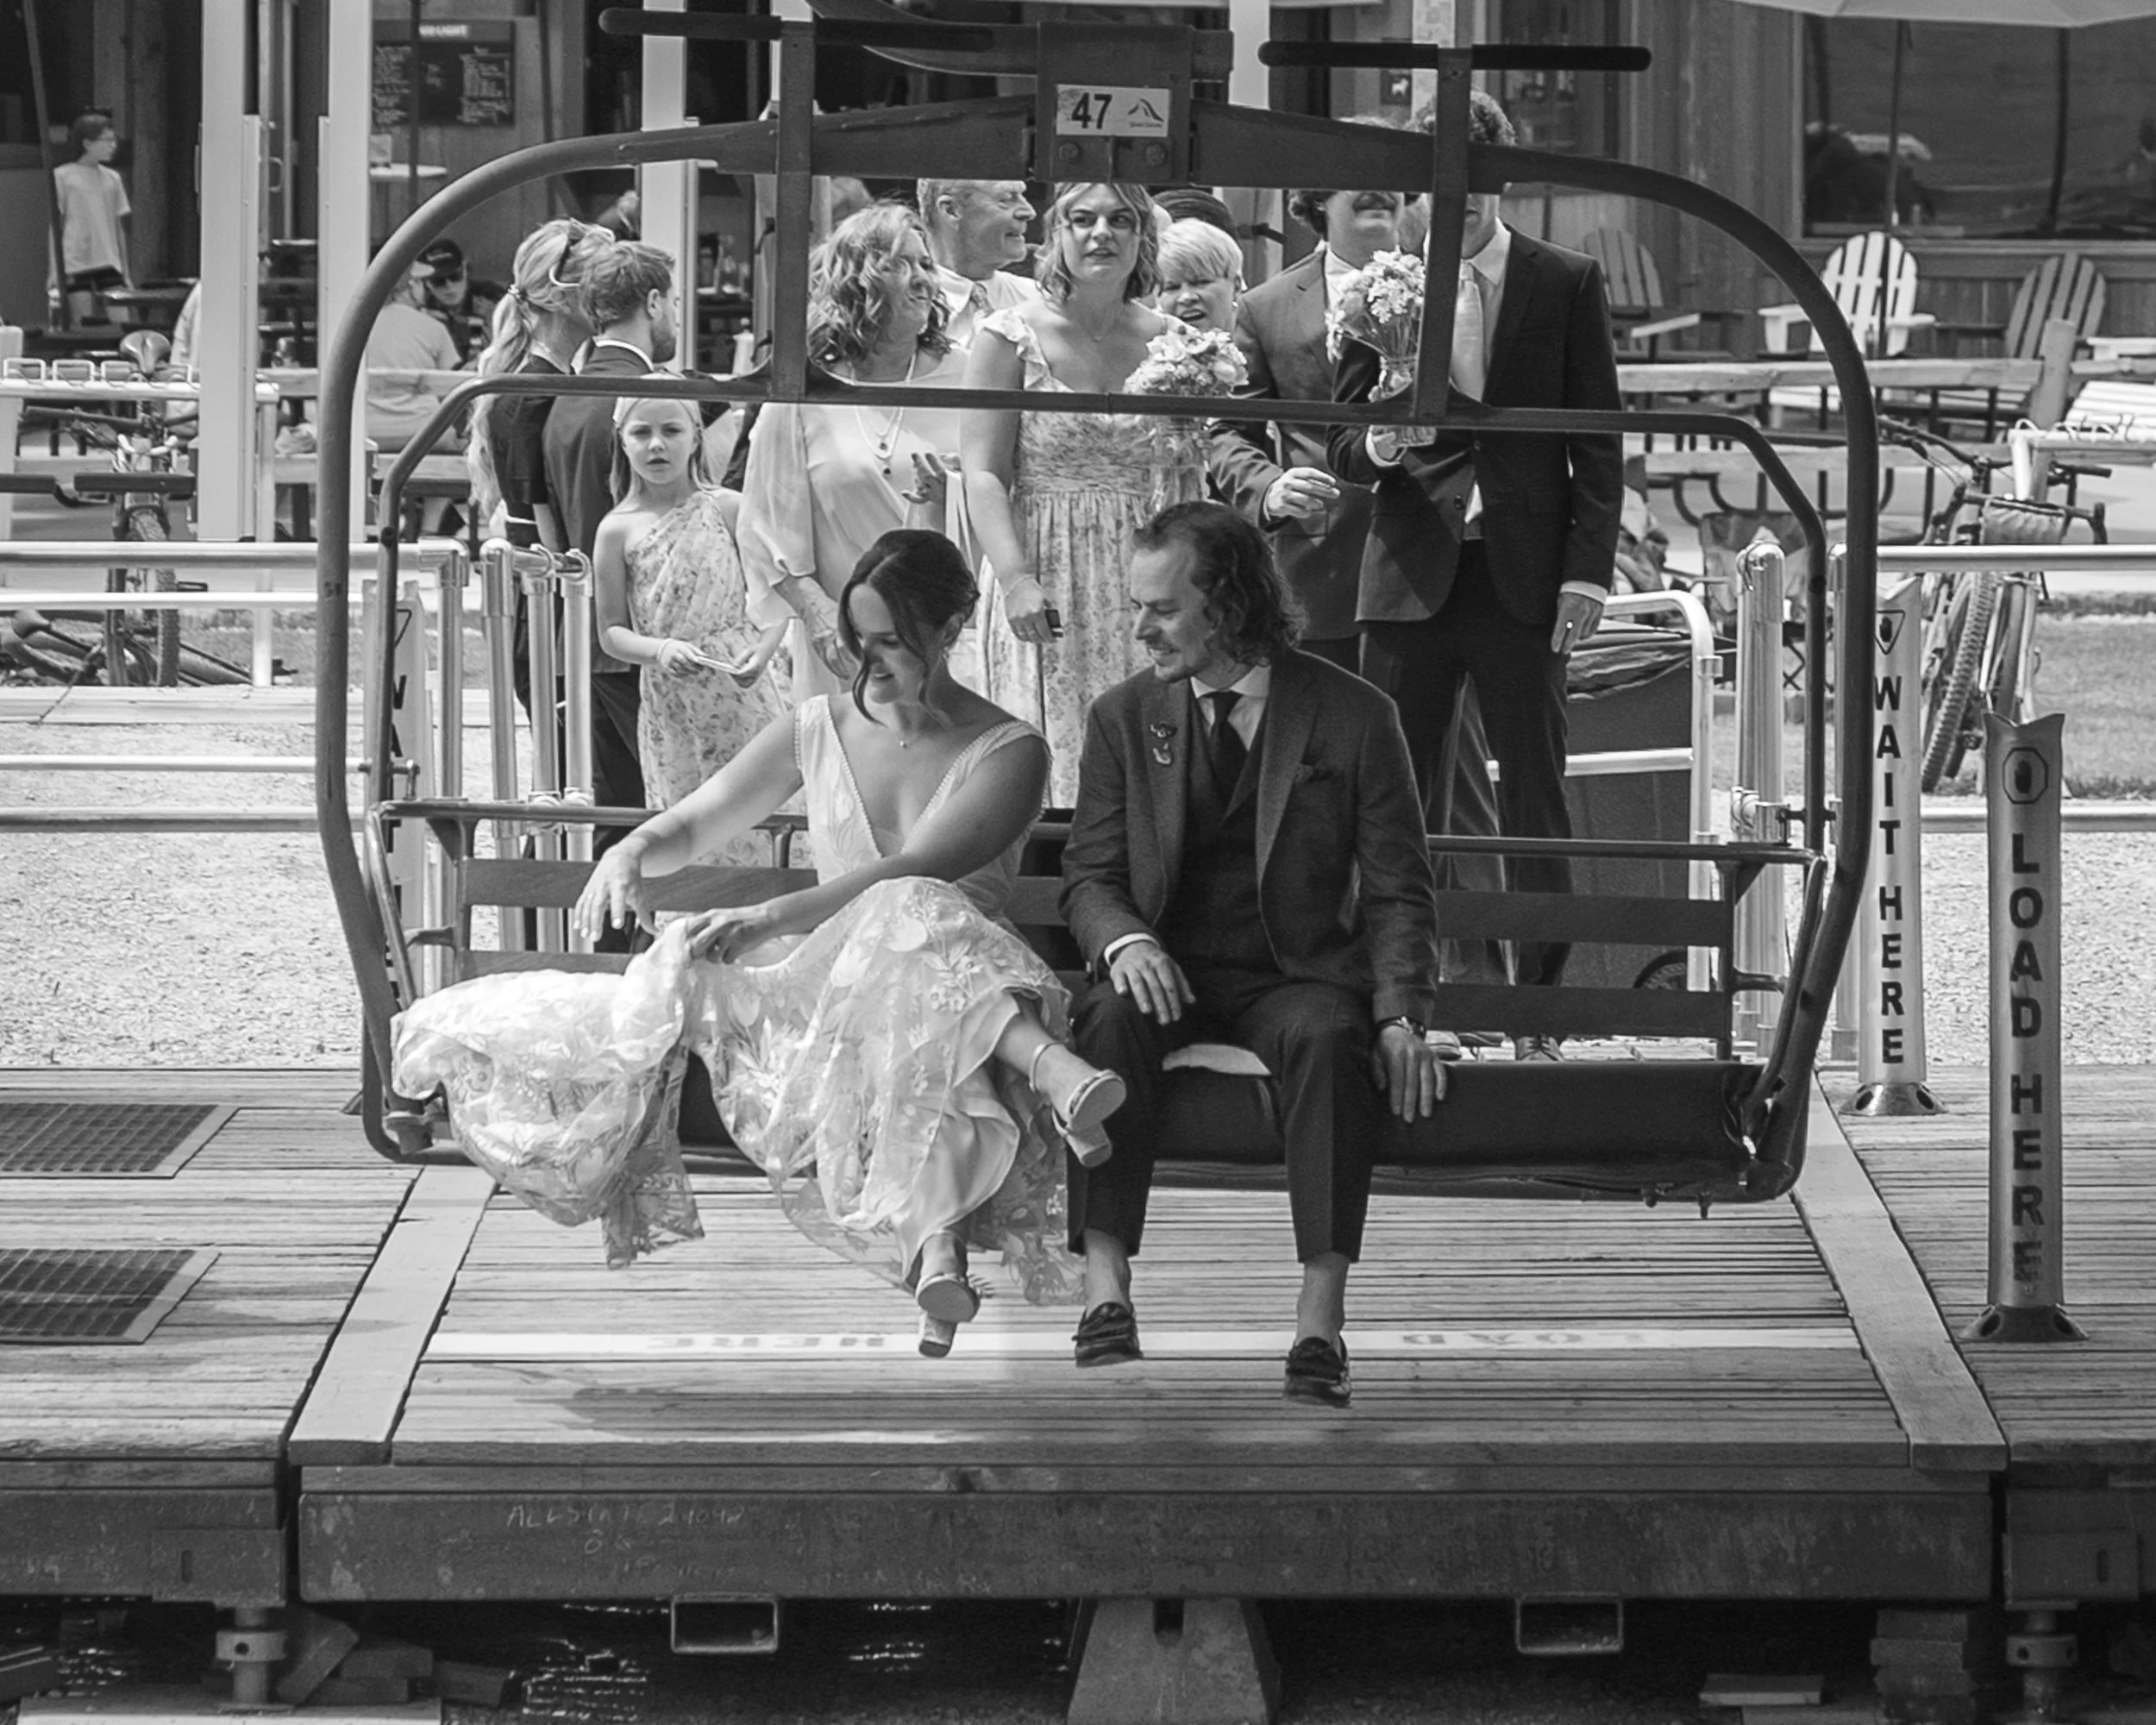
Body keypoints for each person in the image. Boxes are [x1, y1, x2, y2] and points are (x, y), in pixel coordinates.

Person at [573, 530, 1126, 1356]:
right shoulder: (816, 726)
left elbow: (919, 868)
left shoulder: (1012, 750)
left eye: (890, 641)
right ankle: (1046, 1067)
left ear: (951, 628)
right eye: (855, 637)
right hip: (841, 989)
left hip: (950, 977)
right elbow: (697, 819)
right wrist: (628, 852)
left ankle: (937, 1248)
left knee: (912, 912)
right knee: (910, 955)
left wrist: (768, 918)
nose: (865, 660)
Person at [1059, 500, 1442, 1407]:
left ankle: (1320, 1320)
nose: (1140, 627)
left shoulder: (1353, 714)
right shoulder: (1122, 716)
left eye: (1161, 606)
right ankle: (1105, 1293)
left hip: (1293, 976)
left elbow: (1397, 886)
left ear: (1227, 604)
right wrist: (1125, 938)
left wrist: (1401, 1016)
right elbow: (1089, 876)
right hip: (1167, 973)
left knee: (1329, 1039)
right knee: (1105, 1017)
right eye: (1137, 606)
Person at [1328, 91, 1625, 1053]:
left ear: (1500, 177)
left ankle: (1536, 1011)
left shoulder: (1565, 279)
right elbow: (1343, 447)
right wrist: (1377, 437)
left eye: (1468, 178)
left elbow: (1600, 440)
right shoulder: (1375, 287)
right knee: (1392, 793)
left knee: (1534, 791)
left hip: (1524, 573)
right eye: (1427, 183)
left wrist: (1586, 574)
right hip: (1409, 569)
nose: (1446, 201)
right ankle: (1402, 1003)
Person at [1210, 154, 1512, 1026]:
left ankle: (1482, 991)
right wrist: (1265, 486)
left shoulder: (1456, 287)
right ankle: (1331, 977)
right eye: (1358, 180)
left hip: (1437, 567)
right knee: (1313, 780)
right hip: (1321, 573)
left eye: (1394, 181)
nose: (1381, 194)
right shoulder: (1267, 307)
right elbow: (1227, 429)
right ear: (1313, 202)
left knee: (1450, 787)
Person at [962, 181, 1206, 808]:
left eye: (1120, 220)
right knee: (1045, 773)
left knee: (1151, 765)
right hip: (1045, 569)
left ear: (1141, 237)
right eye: (1083, 219)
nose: (1102, 233)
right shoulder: (1007, 337)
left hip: (1146, 574)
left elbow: (1187, 476)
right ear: (1058, 234)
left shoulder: (1179, 341)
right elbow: (984, 472)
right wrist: (1015, 578)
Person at [738, 203, 969, 710]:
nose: (923, 281)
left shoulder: (971, 378)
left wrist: (953, 498)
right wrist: (820, 617)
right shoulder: (804, 389)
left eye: (927, 265)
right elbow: (763, 526)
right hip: (846, 646)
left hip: (951, 637)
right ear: (858, 281)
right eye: (900, 264)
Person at [592, 390, 790, 862]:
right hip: (671, 700)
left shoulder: (728, 508)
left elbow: (777, 600)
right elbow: (611, 632)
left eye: (671, 431)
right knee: (686, 827)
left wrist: (762, 652)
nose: (656, 445)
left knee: (761, 819)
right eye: (642, 433)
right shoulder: (616, 529)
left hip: (744, 692)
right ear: (622, 442)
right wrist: (659, 650)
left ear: (696, 438)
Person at [542, 240, 679, 854]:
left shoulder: (563, 401)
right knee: (666, 811)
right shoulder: (648, 400)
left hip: (586, 636)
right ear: (653, 302)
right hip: (647, 637)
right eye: (671, 301)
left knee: (614, 814)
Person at [465, 217, 613, 718]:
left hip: (543, 608)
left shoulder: (538, 381)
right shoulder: (537, 394)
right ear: (561, 296)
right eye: (602, 280)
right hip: (549, 610)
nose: (614, 295)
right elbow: (544, 526)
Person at [917, 179, 1038, 350]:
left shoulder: (1042, 302)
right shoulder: (902, 309)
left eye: (1022, 196)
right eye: (1006, 199)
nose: (1029, 212)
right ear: (951, 211)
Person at [365, 259, 467, 455]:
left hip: (368, 432)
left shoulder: (358, 328)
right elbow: (451, 393)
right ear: (411, 286)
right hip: (426, 434)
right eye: (422, 282)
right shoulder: (434, 328)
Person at [50, 113, 130, 327]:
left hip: (109, 258)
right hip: (76, 259)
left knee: (122, 324)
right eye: (107, 141)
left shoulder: (113, 178)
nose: (113, 146)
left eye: (114, 141)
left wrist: (126, 270)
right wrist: (53, 270)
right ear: (87, 143)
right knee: (82, 324)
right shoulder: (62, 176)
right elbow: (56, 225)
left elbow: (118, 225)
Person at [417, 239, 507, 365]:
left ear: (465, 270)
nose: (449, 286)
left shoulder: (493, 298)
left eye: (455, 276)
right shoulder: (418, 311)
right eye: (438, 281)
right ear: (425, 283)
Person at [1155, 217, 1242, 336]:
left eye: (1200, 283)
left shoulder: (1265, 341)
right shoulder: (1141, 348)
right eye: (1172, 287)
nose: (1186, 297)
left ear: (1236, 287)